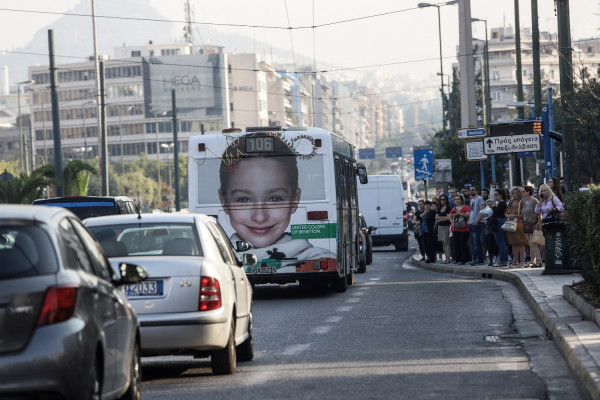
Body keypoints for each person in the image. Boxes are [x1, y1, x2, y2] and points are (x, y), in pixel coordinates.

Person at [219, 135, 334, 269]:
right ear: (224, 201)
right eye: (244, 199)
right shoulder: (218, 262)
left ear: (295, 200)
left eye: (275, 199)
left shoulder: (218, 264)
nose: (260, 217)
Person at [505, 186, 528, 267]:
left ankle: (522, 260)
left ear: (519, 194)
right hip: (511, 225)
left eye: (516, 193)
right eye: (513, 193)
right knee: (513, 243)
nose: (514, 195)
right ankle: (515, 261)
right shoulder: (510, 203)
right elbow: (506, 213)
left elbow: (524, 214)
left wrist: (514, 216)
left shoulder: (522, 203)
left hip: (519, 224)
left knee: (521, 243)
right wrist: (508, 215)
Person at [522, 185, 542, 268]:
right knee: (530, 244)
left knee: (533, 243)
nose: (522, 193)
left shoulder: (534, 201)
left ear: (528, 192)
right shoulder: (526, 202)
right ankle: (532, 261)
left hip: (533, 224)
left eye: (523, 191)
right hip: (527, 225)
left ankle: (538, 261)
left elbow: (539, 213)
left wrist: (539, 224)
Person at [450, 194, 471, 265]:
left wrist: (459, 213)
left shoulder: (466, 207)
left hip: (464, 228)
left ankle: (465, 259)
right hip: (455, 228)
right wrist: (452, 222)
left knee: (463, 244)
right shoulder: (453, 209)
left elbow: (468, 215)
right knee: (456, 244)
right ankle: (458, 259)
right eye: (455, 199)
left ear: (461, 200)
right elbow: (450, 216)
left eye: (458, 199)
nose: (457, 201)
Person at [468, 185, 485, 265]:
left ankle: (474, 258)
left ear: (476, 191)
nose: (471, 191)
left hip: (477, 223)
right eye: (470, 190)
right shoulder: (472, 200)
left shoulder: (479, 199)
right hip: (471, 223)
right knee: (477, 242)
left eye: (473, 190)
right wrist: (469, 220)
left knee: (476, 242)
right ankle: (481, 259)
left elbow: (482, 211)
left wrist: (477, 221)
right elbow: (472, 211)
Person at [491, 189, 508, 267]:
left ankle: (502, 260)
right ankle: (502, 259)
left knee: (501, 243)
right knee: (500, 242)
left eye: (497, 194)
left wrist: (493, 205)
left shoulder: (502, 203)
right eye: (494, 195)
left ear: (501, 195)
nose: (495, 196)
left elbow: (496, 213)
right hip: (498, 222)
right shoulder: (499, 203)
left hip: (499, 222)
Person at [480, 199, 498, 266]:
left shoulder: (495, 212)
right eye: (488, 204)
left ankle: (496, 258)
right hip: (488, 231)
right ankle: (490, 260)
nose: (490, 206)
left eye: (491, 204)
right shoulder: (486, 213)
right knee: (489, 246)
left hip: (494, 231)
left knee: (495, 246)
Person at [435, 194, 452, 264]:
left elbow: (448, 217)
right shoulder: (439, 208)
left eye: (443, 199)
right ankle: (446, 258)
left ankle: (448, 259)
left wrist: (441, 219)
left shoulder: (448, 208)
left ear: (446, 200)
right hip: (440, 227)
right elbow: (436, 217)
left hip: (446, 226)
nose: (442, 201)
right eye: (441, 199)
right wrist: (443, 218)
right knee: (443, 243)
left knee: (446, 242)